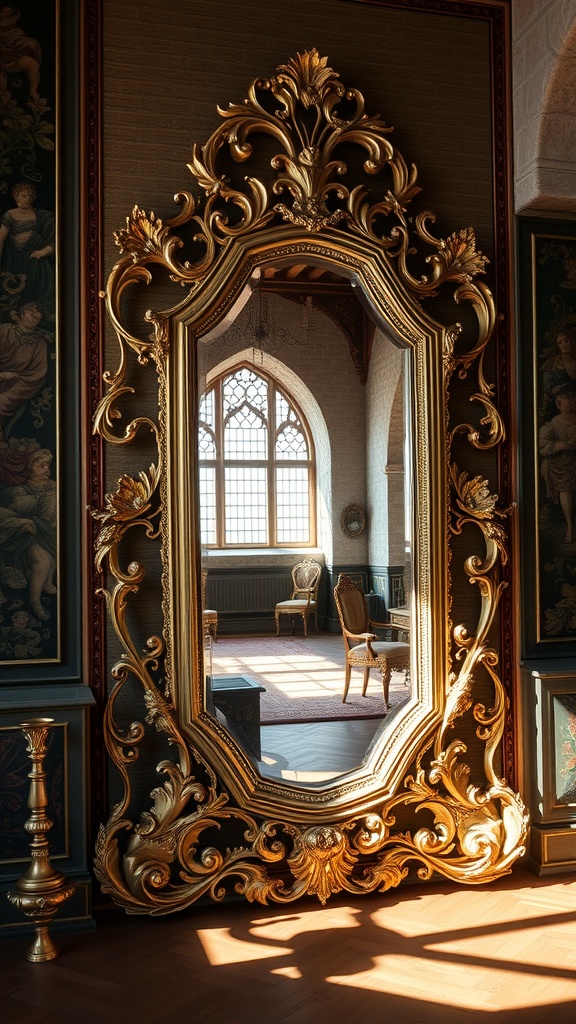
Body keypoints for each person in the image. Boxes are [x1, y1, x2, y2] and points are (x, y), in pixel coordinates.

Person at [0, 440, 56, 620]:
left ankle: (47, 584)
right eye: (41, 466)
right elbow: (12, 512)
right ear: (30, 469)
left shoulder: (55, 487)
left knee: (52, 560)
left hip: (49, 531)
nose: (47, 469)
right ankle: (35, 602)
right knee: (42, 562)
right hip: (29, 534)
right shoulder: (19, 491)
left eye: (48, 466)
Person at [0, 183, 54, 312]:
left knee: (36, 284)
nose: (27, 198)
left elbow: (53, 239)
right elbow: (1, 237)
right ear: (16, 196)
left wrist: (43, 251)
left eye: (30, 196)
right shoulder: (10, 214)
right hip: (15, 257)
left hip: (34, 256)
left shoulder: (40, 215)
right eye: (24, 195)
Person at [0, 301, 49, 428]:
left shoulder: (40, 344)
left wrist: (7, 396)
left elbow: (37, 375)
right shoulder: (4, 330)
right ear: (22, 313)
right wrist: (2, 376)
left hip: (15, 388)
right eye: (31, 312)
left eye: (38, 315)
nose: (34, 316)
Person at [539, 381, 576, 543]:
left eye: (563, 398)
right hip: (562, 463)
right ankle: (570, 527)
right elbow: (543, 446)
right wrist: (561, 445)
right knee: (565, 484)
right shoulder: (554, 425)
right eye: (557, 399)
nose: (558, 402)